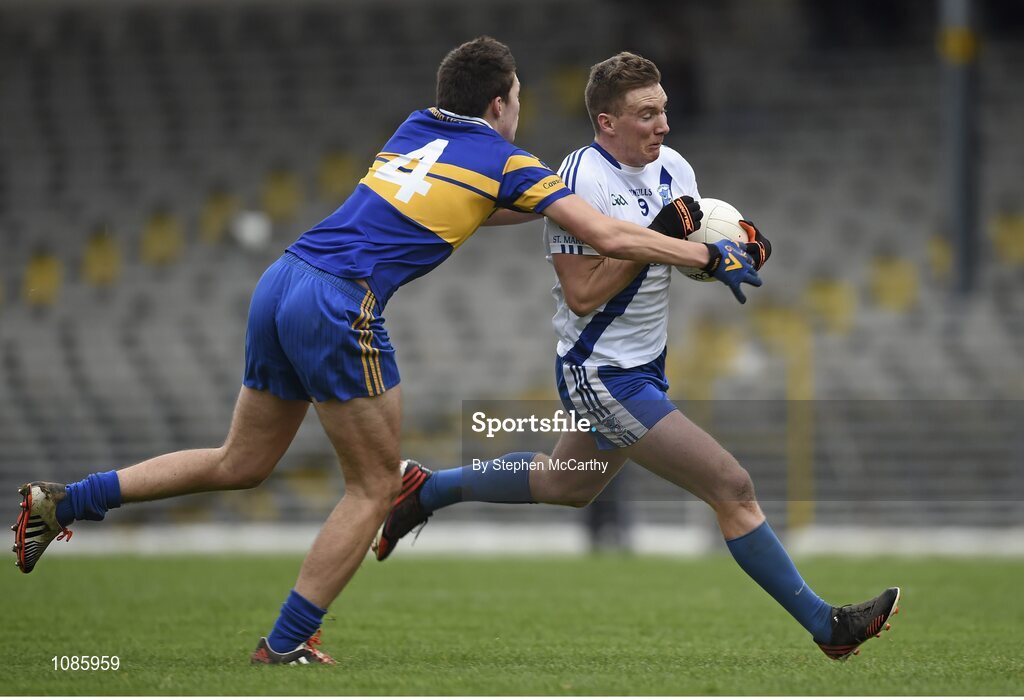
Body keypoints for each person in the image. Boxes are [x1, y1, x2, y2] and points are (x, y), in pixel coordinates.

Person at [12, 38, 762, 665]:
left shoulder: (415, 128)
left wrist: (638, 225)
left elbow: (472, 208)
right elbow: (596, 234)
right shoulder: (508, 160)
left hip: (284, 279)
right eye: (519, 98)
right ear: (500, 104)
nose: (522, 110)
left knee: (237, 462)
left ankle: (62, 502)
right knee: (374, 487)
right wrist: (700, 255)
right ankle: (286, 644)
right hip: (341, 301)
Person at [373, 52, 900, 662]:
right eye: (646, 114)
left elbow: (690, 246)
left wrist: (738, 248)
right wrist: (663, 236)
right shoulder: (577, 180)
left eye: (665, 111)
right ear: (606, 122)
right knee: (732, 486)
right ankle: (827, 627)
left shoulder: (674, 166)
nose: (663, 125)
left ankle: (424, 488)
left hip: (645, 365)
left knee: (565, 483)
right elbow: (584, 291)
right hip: (598, 374)